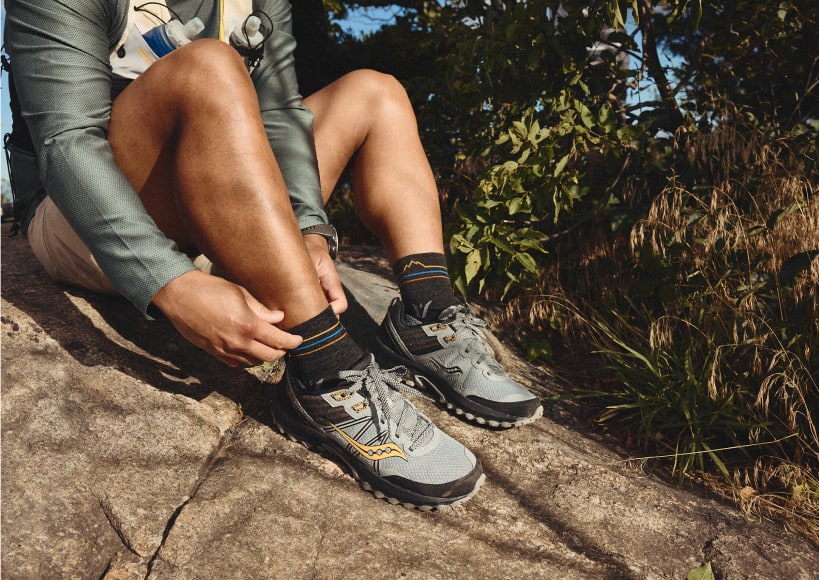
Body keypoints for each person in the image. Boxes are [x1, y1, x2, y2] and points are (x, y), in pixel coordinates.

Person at [4, 0, 543, 510]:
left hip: (220, 187)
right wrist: (172, 283)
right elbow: (67, 142)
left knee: (375, 91)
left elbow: (281, 112)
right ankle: (327, 376)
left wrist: (308, 228)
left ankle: (427, 320)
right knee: (208, 67)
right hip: (77, 215)